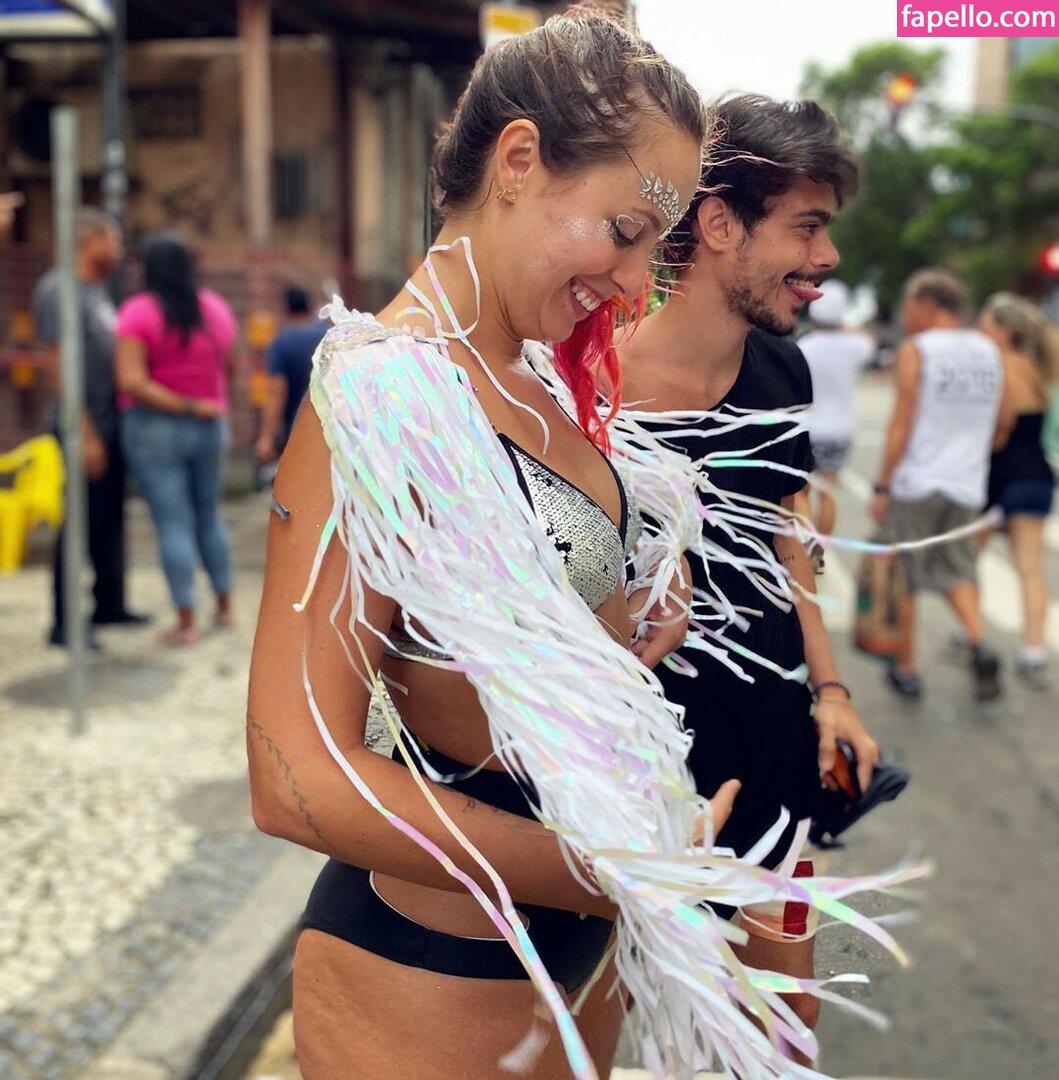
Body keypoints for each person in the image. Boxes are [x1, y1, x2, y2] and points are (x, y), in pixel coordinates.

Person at [245, 18, 913, 1079]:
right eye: (627, 229)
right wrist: (616, 874)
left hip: (580, 955)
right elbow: (295, 776)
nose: (640, 279)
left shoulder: (543, 376)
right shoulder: (379, 390)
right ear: (518, 161)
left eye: (659, 241)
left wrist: (623, 616)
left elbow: (521, 637)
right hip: (439, 973)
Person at [617, 94, 879, 1054]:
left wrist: (831, 690)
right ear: (720, 223)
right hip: (643, 744)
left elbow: (787, 537)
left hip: (769, 727)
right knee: (659, 1016)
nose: (826, 257)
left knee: (782, 1016)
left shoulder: (783, 371)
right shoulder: (593, 385)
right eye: (805, 227)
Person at [870, 268, 1004, 702]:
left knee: (905, 577)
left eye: (909, 307)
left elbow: (902, 421)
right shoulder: (988, 349)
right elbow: (1001, 420)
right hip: (968, 483)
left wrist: (882, 485)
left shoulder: (918, 349)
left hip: (918, 481)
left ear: (929, 305)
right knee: (958, 572)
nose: (905, 316)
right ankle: (980, 643)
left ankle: (907, 669)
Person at [32, 206, 150, 649]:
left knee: (107, 518)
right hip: (84, 428)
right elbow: (56, 365)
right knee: (79, 522)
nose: (118, 247)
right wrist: (83, 433)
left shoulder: (96, 289)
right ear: (89, 240)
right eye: (112, 239)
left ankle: (109, 604)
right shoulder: (59, 289)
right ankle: (64, 623)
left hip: (109, 422)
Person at [115, 232, 237, 645]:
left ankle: (186, 623)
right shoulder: (216, 309)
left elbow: (131, 380)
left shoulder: (137, 313)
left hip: (155, 427)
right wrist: (206, 404)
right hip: (211, 424)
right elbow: (230, 367)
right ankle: (224, 609)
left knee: (173, 523)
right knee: (209, 517)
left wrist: (185, 406)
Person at [979, 292, 1058, 687]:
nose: (981, 329)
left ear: (1003, 331)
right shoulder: (1038, 366)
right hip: (1037, 478)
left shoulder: (1000, 365)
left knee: (963, 563)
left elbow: (1002, 424)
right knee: (1031, 571)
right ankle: (1033, 652)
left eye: (987, 322)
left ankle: (972, 635)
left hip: (1002, 478)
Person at [799, 279, 875, 536]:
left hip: (809, 427)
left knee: (802, 493)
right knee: (829, 493)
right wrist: (846, 324)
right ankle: (821, 548)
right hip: (841, 429)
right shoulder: (854, 346)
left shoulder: (805, 346)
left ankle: (805, 545)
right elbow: (870, 341)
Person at [254, 286, 327, 466]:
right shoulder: (328, 336)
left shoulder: (281, 344)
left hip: (296, 434)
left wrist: (266, 438)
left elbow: (275, 393)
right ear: (309, 307)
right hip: (331, 433)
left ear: (285, 310)